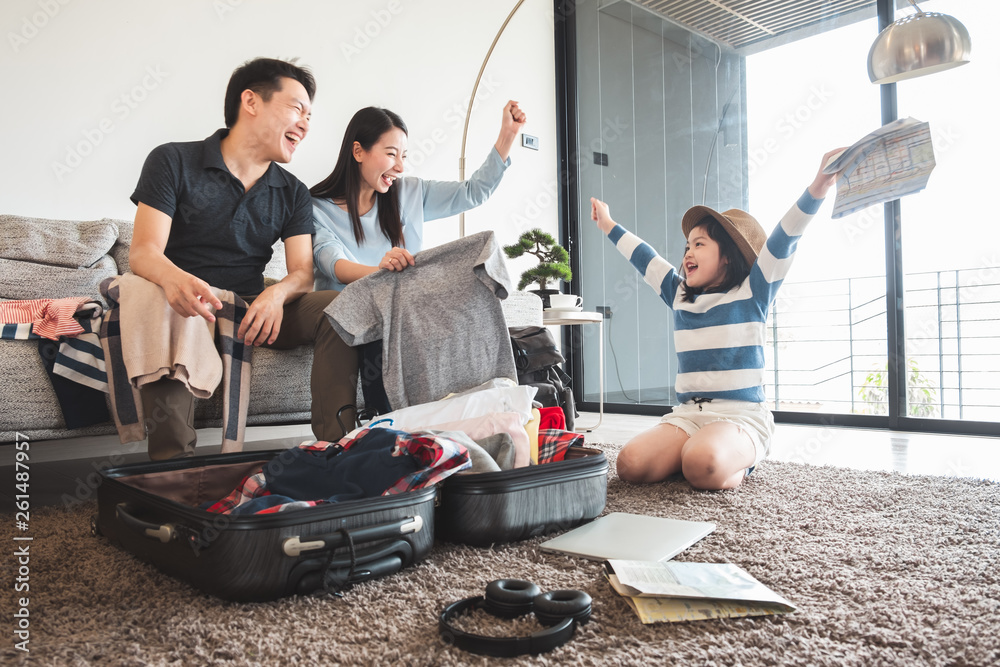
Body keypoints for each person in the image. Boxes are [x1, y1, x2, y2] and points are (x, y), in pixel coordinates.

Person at [128, 57, 359, 460]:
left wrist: (275, 296)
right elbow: (144, 252)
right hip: (186, 304)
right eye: (296, 108)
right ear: (250, 101)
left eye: (310, 115)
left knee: (342, 304)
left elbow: (303, 272)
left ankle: (335, 451)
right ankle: (172, 471)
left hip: (250, 307)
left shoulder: (293, 191)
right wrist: (173, 280)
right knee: (164, 307)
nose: (305, 123)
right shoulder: (172, 161)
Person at [590, 148, 845, 490]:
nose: (688, 253)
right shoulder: (679, 294)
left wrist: (819, 186)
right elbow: (645, 257)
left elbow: (784, 240)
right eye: (686, 247)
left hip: (740, 417)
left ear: (727, 256)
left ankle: (736, 458)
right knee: (630, 465)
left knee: (700, 464)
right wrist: (608, 224)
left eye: (699, 244)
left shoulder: (754, 291)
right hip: (689, 416)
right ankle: (698, 454)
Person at [310, 101, 527, 291]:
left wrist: (507, 136)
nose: (400, 166)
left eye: (403, 156)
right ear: (358, 151)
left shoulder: (409, 192)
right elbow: (332, 262)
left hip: (401, 313)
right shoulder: (316, 208)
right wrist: (381, 272)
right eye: (391, 154)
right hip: (345, 315)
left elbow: (472, 193)